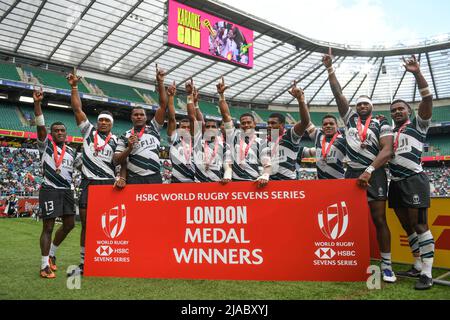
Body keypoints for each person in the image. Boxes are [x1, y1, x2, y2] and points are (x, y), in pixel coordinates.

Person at [323, 50, 396, 283]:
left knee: (379, 219)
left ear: (371, 107)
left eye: (366, 103)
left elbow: (387, 150)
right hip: (352, 172)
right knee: (349, 220)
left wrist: (370, 170)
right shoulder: (349, 119)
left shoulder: (382, 122)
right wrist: (330, 69)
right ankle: (351, 261)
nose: (362, 106)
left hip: (374, 174)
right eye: (359, 104)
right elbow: (338, 93)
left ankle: (386, 265)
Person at [66, 69, 121, 276]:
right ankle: (83, 263)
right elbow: (77, 108)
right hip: (89, 184)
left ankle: (107, 260)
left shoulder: (117, 140)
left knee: (108, 225)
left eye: (107, 121)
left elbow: (121, 161)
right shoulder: (88, 131)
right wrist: (74, 87)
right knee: (87, 226)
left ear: (112, 124)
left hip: (108, 184)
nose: (103, 122)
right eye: (101, 120)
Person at [388, 55, 435, 290]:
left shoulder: (418, 124)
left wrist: (416, 73)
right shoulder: (390, 133)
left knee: (419, 226)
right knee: (407, 227)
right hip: (395, 182)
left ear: (409, 111)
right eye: (394, 110)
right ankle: (416, 263)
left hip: (414, 179)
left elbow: (427, 98)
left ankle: (427, 272)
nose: (397, 112)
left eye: (401, 109)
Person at [33, 87, 76, 279]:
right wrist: (37, 104)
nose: (60, 132)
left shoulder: (73, 152)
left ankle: (52, 255)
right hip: (49, 190)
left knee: (69, 225)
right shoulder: (45, 147)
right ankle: (44, 266)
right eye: (56, 131)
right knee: (48, 227)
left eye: (62, 131)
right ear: (51, 134)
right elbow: (40, 128)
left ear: (66, 133)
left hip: (66, 190)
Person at [114, 65, 167, 184]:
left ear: (146, 117)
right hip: (134, 178)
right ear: (131, 118)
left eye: (141, 114)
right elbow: (116, 160)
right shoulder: (124, 136)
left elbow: (163, 106)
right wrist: (129, 148)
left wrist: (160, 82)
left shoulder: (154, 128)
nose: (139, 116)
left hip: (155, 177)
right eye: (136, 114)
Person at [217, 77, 271, 187]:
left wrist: (265, 176)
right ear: (240, 125)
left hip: (253, 184)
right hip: (233, 184)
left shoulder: (262, 142)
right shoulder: (233, 136)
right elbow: (226, 116)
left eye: (248, 122)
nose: (246, 125)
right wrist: (222, 96)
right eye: (243, 123)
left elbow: (267, 165)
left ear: (254, 124)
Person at [267, 81, 310, 180]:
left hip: (288, 183)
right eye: (268, 123)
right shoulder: (266, 140)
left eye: (273, 123)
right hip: (269, 183)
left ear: (282, 125)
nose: (269, 126)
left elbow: (305, 122)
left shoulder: (290, 136)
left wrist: (300, 100)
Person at [167, 81, 196, 183]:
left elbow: (192, 118)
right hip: (176, 182)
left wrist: (189, 95)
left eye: (189, 127)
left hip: (195, 182)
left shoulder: (196, 140)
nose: (186, 129)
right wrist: (170, 97)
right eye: (183, 127)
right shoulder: (174, 138)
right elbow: (171, 118)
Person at [304, 113, 346, 179]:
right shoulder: (318, 135)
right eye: (325, 124)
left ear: (337, 126)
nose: (328, 126)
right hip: (321, 183)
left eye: (331, 124)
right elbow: (306, 121)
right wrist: (302, 102)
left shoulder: (344, 140)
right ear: (322, 127)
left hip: (339, 182)